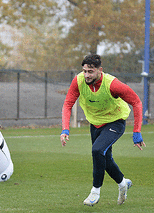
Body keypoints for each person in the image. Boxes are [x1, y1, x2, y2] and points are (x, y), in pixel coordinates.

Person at [60, 54, 145, 206]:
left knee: (97, 150)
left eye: (90, 71)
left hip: (115, 122)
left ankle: (95, 191)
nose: (86, 75)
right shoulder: (78, 81)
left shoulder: (113, 84)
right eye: (85, 71)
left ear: (100, 70)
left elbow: (136, 102)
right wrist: (65, 129)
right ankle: (123, 183)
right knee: (105, 160)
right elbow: (67, 104)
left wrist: (137, 132)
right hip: (95, 124)